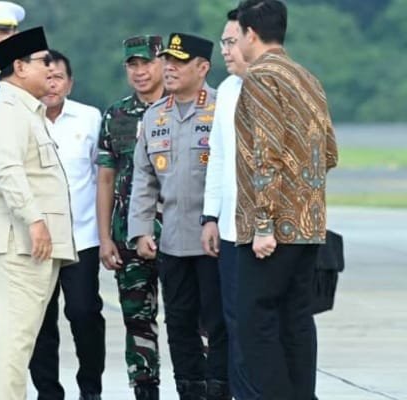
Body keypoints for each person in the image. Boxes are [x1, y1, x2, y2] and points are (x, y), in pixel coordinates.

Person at [233, 1, 338, 398]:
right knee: (296, 318)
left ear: (250, 34)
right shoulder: (307, 77)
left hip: (273, 227)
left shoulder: (261, 77)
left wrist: (264, 223)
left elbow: (266, 153)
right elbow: (330, 153)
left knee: (255, 320)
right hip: (309, 223)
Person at [0, 27, 77, 400]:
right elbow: (7, 171)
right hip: (15, 242)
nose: (51, 68)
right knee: (13, 340)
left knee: (18, 339)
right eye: (43, 62)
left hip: (27, 243)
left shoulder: (26, 111)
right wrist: (35, 220)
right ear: (19, 66)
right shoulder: (7, 111)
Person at [128, 33, 230, 400]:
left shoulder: (222, 109)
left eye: (179, 62)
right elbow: (144, 178)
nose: (169, 68)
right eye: (167, 61)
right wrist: (141, 230)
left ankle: (219, 388)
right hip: (172, 239)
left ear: (202, 68)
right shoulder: (155, 114)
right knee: (179, 321)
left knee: (219, 321)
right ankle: (189, 389)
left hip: (215, 239)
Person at [28, 49, 104, 400]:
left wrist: (105, 235)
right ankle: (48, 392)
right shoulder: (23, 121)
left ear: (70, 83)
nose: (52, 84)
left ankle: (90, 388)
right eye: (46, 77)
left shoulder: (89, 118)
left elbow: (101, 177)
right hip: (36, 240)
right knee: (40, 322)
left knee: (84, 313)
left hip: (81, 237)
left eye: (58, 77)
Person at [95, 35, 165, 400]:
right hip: (128, 234)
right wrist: (105, 237)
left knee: (192, 318)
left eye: (146, 63)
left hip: (178, 233)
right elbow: (106, 178)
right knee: (137, 319)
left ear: (163, 63)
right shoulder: (116, 115)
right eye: (132, 65)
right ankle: (145, 387)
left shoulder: (181, 107)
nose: (139, 71)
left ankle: (200, 386)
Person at [199, 8, 257, 400]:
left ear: (253, 39)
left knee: (266, 322)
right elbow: (218, 156)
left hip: (269, 231)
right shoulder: (228, 89)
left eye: (231, 42)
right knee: (234, 319)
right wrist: (210, 216)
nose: (225, 50)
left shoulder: (273, 85)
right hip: (232, 229)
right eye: (223, 42)